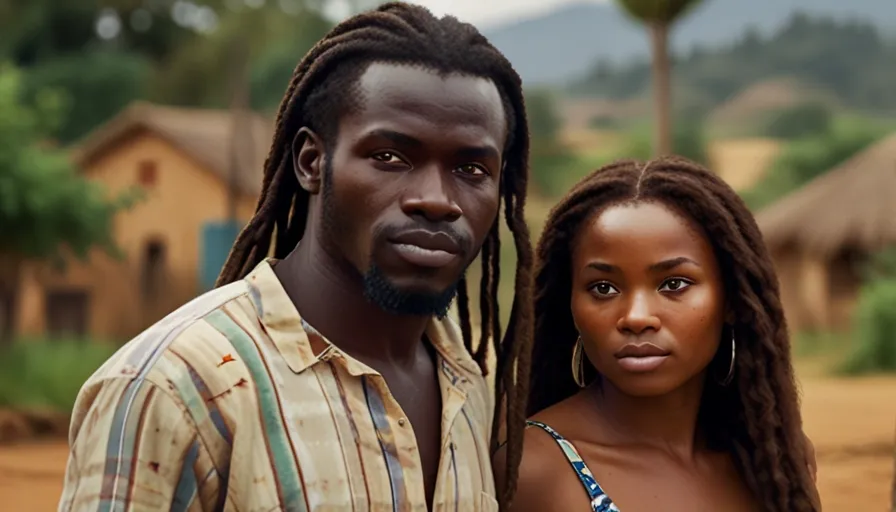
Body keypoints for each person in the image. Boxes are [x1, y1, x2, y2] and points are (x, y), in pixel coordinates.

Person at [57, 3, 535, 510]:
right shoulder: (174, 388)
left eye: (472, 169)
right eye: (389, 157)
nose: (437, 199)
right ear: (312, 162)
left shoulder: (471, 381)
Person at [497, 157, 821, 511]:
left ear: (732, 300)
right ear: (570, 305)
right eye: (603, 288)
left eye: (674, 284)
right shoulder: (534, 471)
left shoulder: (772, 462)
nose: (636, 317)